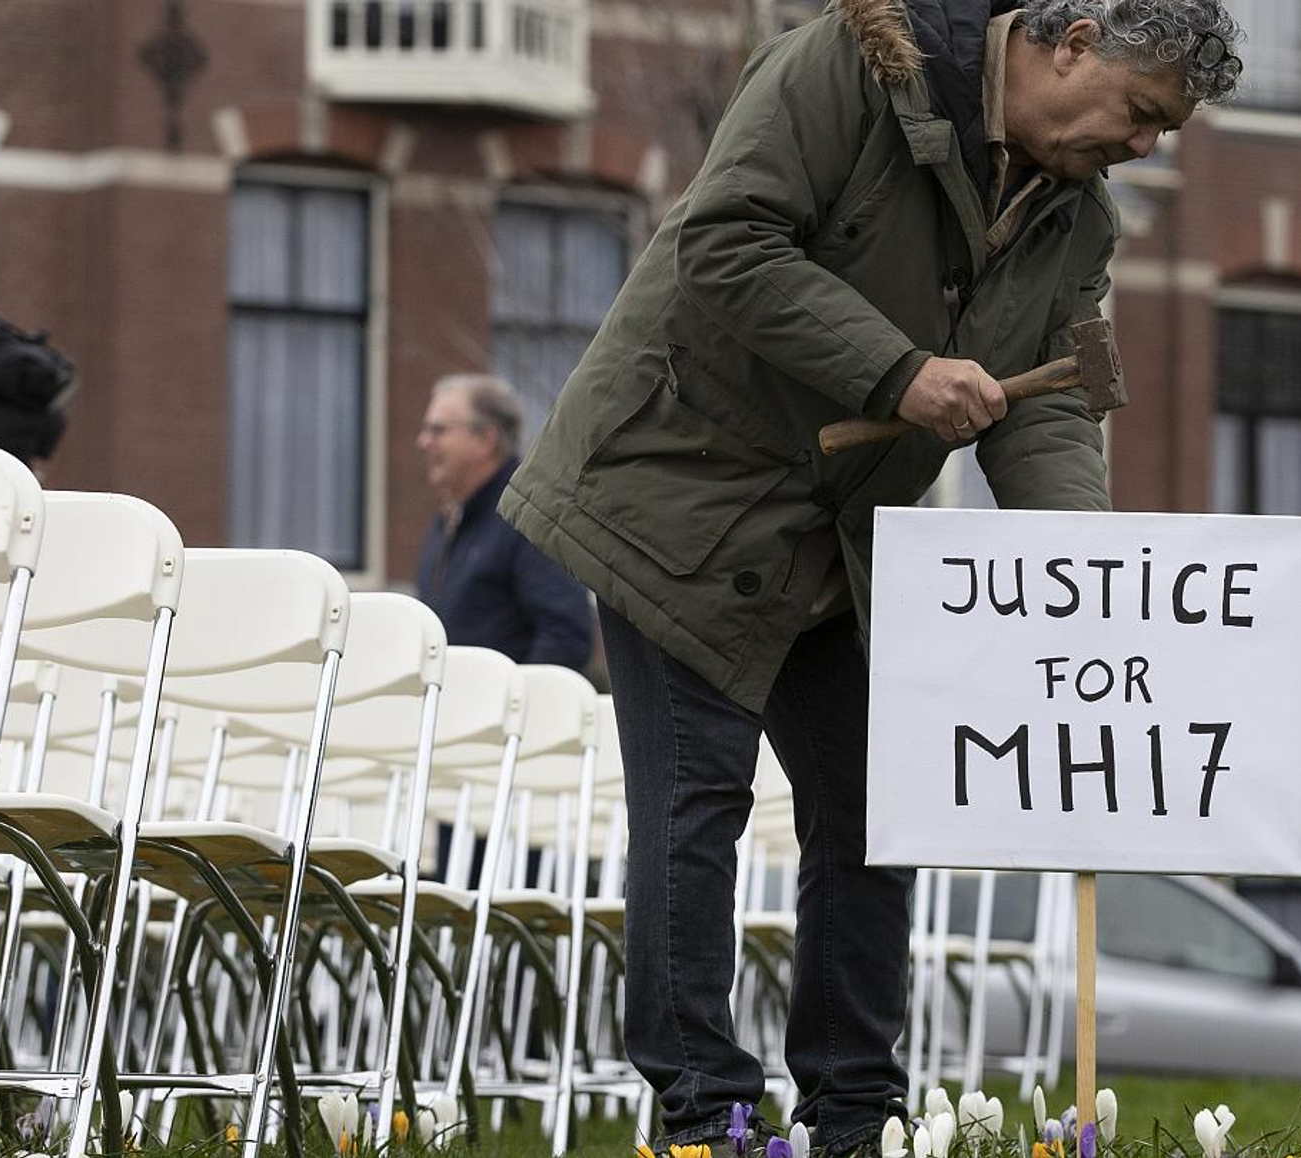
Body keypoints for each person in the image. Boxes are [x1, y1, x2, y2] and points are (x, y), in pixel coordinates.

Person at [498, 0, 1242, 1152]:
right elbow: (725, 242)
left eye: (1163, 131)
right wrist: (896, 373)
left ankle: (853, 1117)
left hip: (832, 542)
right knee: (696, 807)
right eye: (1140, 113)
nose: (1143, 146)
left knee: (872, 811)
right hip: (672, 498)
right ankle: (706, 1119)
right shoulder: (840, 72)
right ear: (1072, 43)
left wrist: (1081, 570)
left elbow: (1049, 407)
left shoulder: (1075, 216)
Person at [416, 373, 592, 667]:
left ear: (486, 439)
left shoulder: (529, 519)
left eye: (438, 430)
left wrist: (513, 695)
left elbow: (566, 635)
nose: (423, 442)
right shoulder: (447, 524)